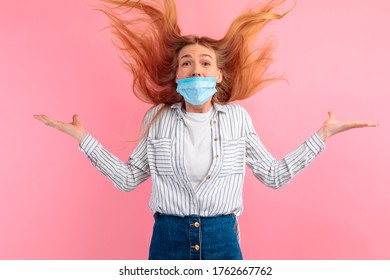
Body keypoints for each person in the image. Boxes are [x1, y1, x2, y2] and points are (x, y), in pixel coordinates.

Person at [33, 0, 378, 260]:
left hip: (221, 239)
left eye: (204, 63)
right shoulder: (157, 118)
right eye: (186, 63)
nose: (195, 69)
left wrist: (323, 136)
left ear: (218, 75)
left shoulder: (237, 119)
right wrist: (83, 138)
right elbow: (127, 179)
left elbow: (273, 175)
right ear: (177, 76)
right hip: (166, 238)